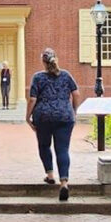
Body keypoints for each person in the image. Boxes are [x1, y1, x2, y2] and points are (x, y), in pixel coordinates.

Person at [26, 47, 80, 202]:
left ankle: (50, 175)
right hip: (64, 116)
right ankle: (64, 183)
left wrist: (27, 117)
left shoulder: (38, 77)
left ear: (43, 61)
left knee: (44, 145)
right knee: (62, 149)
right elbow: (76, 93)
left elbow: (32, 100)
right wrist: (73, 111)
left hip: (43, 117)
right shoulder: (66, 75)